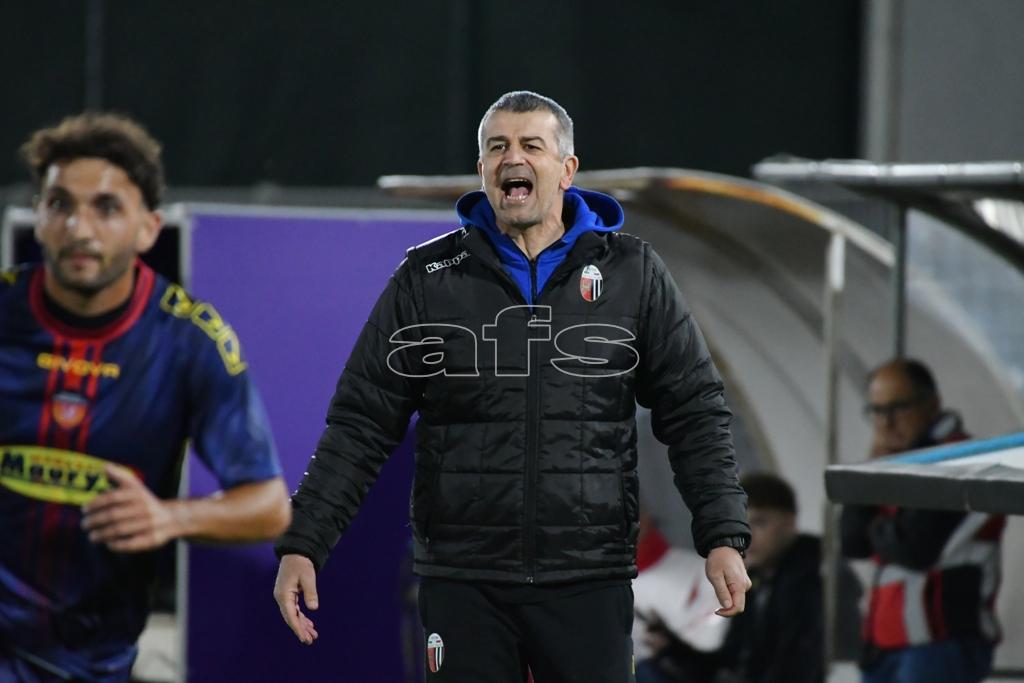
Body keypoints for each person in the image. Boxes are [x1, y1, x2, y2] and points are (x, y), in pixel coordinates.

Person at [272, 90, 752, 682]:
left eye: (531, 145)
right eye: (497, 147)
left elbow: (696, 412)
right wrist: (304, 541)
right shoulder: (426, 280)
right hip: (465, 583)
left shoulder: (634, 274)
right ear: (482, 169)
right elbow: (360, 424)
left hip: (588, 578)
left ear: (567, 170)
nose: (512, 158)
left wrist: (723, 535)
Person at [0, 113, 292, 682]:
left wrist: (170, 517)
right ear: (38, 216)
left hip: (89, 659)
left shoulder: (189, 343)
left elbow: (269, 506)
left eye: (106, 208)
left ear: (148, 228)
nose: (79, 228)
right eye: (60, 204)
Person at [840, 359, 1005, 683]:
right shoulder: (892, 461)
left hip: (941, 642)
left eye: (898, 408)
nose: (886, 423)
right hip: (884, 644)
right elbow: (852, 541)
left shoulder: (961, 459)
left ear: (932, 405)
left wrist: (879, 529)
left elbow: (915, 547)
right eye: (877, 411)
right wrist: (871, 467)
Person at [640, 472, 861, 683]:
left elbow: (798, 669)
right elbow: (731, 662)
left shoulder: (814, 575)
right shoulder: (756, 580)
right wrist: (673, 649)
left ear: (789, 524)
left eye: (760, 523)